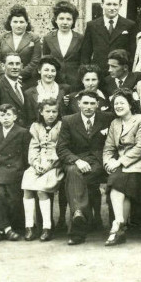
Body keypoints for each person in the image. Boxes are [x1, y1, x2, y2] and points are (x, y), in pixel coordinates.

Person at [57, 90, 111, 245]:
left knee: (74, 178)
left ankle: (77, 226)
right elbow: (61, 148)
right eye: (85, 103)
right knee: (74, 172)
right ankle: (79, 214)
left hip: (97, 162)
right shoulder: (68, 120)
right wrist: (76, 160)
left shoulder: (107, 118)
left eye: (92, 103)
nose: (88, 107)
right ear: (78, 103)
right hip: (76, 160)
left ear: (98, 105)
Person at [102, 88, 141, 246]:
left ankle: (117, 225)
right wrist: (108, 162)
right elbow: (108, 147)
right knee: (120, 182)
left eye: (122, 103)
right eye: (116, 103)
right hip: (121, 164)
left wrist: (119, 162)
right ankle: (120, 226)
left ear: (130, 104)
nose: (118, 106)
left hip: (140, 161)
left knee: (118, 182)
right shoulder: (115, 123)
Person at [21, 98, 65, 242]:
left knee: (41, 190)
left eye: (54, 111)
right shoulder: (35, 126)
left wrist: (49, 165)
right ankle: (29, 226)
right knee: (27, 186)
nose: (51, 114)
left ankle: (47, 227)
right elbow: (33, 148)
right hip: (39, 163)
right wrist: (35, 163)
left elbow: (62, 149)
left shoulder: (61, 126)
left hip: (55, 165)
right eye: (48, 111)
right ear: (41, 112)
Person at [0, 104, 31, 243]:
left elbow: (25, 155)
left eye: (8, 115)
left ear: (15, 117)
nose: (5, 118)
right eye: (2, 115)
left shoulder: (22, 132)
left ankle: (4, 228)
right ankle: (4, 229)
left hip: (15, 170)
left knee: (13, 198)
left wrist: (21, 169)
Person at [81, 0, 136, 70]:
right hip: (98, 72)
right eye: (108, 4)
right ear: (102, 5)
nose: (112, 8)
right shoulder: (92, 25)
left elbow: (133, 52)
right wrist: (87, 72)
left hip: (120, 71)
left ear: (120, 6)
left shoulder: (130, 25)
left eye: (115, 4)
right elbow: (85, 53)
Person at [0, 4, 42, 84]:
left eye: (21, 22)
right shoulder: (2, 38)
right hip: (5, 79)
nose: (18, 25)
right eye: (15, 22)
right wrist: (6, 76)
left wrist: (18, 76)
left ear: (26, 23)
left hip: (26, 80)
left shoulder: (34, 38)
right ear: (10, 23)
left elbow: (35, 61)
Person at [41, 0, 84, 88]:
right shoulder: (48, 38)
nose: (65, 22)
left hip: (75, 83)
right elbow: (45, 61)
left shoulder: (80, 38)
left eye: (68, 19)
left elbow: (83, 63)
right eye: (61, 18)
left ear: (73, 21)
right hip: (54, 82)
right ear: (56, 20)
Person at [0, 53, 29, 127]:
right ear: (3, 66)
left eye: (17, 64)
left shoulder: (23, 87)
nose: (15, 67)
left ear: (21, 66)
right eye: (11, 64)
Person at [22, 56, 69, 125]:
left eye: (53, 71)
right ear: (39, 70)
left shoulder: (66, 89)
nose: (49, 74)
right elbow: (29, 119)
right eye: (46, 70)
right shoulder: (29, 93)